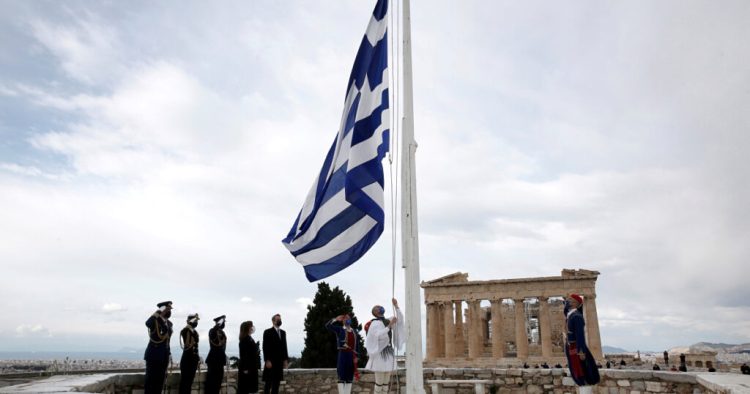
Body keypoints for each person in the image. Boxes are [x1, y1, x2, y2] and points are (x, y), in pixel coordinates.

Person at [364, 298, 405, 394]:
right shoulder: (374, 323)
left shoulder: (387, 320)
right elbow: (378, 335)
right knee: (379, 382)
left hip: (389, 352)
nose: (380, 307)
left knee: (386, 382)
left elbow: (400, 319)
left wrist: (396, 305)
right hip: (380, 353)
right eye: (378, 307)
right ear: (375, 312)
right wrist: (390, 325)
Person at [564, 294, 600, 393]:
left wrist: (581, 351)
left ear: (576, 303)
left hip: (576, 347)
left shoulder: (577, 317)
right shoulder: (570, 315)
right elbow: (565, 311)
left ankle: (585, 385)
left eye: (569, 300)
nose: (567, 301)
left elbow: (580, 335)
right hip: (571, 346)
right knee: (575, 368)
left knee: (581, 368)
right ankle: (582, 384)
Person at [326, 314, 360, 394]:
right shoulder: (339, 329)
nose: (347, 319)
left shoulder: (354, 331)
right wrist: (335, 319)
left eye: (348, 318)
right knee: (341, 376)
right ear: (342, 321)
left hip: (352, 356)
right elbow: (327, 326)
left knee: (349, 378)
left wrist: (357, 356)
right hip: (343, 355)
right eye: (345, 318)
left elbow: (357, 344)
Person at [144, 301, 173, 394]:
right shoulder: (155, 320)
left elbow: (167, 341)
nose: (169, 311)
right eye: (167, 309)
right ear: (163, 310)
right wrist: (158, 311)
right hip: (154, 356)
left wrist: (169, 353)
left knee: (160, 383)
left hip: (164, 356)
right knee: (150, 382)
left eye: (170, 309)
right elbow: (148, 323)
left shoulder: (169, 323)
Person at [262, 314, 289, 394]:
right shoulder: (267, 332)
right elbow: (265, 347)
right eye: (278, 319)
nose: (279, 321)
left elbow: (284, 347)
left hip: (279, 362)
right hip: (271, 362)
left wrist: (285, 360)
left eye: (280, 319)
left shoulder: (283, 333)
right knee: (268, 383)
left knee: (276, 384)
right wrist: (267, 360)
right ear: (273, 321)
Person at [205, 315, 228, 394]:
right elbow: (212, 335)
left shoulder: (222, 332)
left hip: (220, 361)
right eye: (223, 322)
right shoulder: (212, 331)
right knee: (211, 384)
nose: (223, 323)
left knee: (217, 384)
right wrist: (218, 324)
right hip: (213, 361)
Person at [179, 313, 200, 394]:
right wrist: (188, 325)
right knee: (185, 383)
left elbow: (195, 346)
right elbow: (187, 344)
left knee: (189, 383)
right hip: (187, 359)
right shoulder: (186, 330)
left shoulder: (194, 331)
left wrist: (197, 357)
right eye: (195, 320)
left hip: (193, 359)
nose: (196, 322)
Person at [238, 321, 260, 394]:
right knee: (246, 389)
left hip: (252, 367)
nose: (252, 328)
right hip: (247, 368)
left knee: (251, 389)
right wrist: (245, 368)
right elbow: (243, 355)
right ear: (247, 328)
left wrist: (256, 347)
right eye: (251, 326)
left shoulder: (250, 338)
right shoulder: (244, 340)